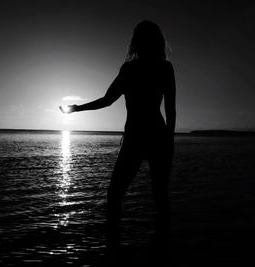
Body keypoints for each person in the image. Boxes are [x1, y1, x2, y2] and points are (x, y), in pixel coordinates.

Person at [60, 20, 176, 251]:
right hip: (157, 137)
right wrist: (169, 141)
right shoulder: (163, 67)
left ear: (136, 41)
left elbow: (107, 100)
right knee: (159, 196)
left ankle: (114, 248)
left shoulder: (132, 69)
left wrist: (77, 108)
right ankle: (162, 248)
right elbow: (171, 110)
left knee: (115, 195)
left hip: (137, 138)